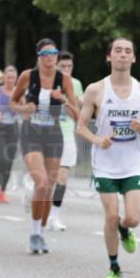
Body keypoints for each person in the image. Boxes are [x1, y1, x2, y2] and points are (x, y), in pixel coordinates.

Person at [76, 37, 140, 278]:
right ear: (109, 57)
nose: (123, 54)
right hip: (105, 165)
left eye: (127, 51)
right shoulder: (95, 90)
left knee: (132, 218)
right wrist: (97, 140)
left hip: (132, 163)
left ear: (133, 58)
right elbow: (80, 127)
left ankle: (124, 229)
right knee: (110, 215)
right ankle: (114, 267)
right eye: (117, 50)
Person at [11, 39, 79, 253]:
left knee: (49, 189)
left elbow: (77, 115)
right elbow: (13, 102)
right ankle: (33, 232)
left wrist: (64, 100)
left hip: (53, 134)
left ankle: (41, 233)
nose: (50, 56)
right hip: (31, 133)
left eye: (53, 52)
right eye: (46, 53)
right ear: (39, 56)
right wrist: (23, 109)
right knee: (40, 182)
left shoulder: (64, 80)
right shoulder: (27, 76)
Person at [48, 50, 84, 230]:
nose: (67, 70)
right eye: (63, 66)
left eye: (69, 66)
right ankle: (39, 205)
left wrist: (66, 100)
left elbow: (77, 115)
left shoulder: (75, 84)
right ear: (56, 66)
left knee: (62, 176)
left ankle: (54, 216)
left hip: (67, 133)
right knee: (48, 178)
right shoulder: (46, 81)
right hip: (47, 133)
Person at [0, 65, 20, 202]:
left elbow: (25, 108)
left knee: (9, 161)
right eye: (8, 77)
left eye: (13, 78)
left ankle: (2, 191)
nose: (10, 80)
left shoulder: (19, 92)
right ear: (4, 78)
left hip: (12, 128)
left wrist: (19, 108)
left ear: (16, 79)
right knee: (3, 158)